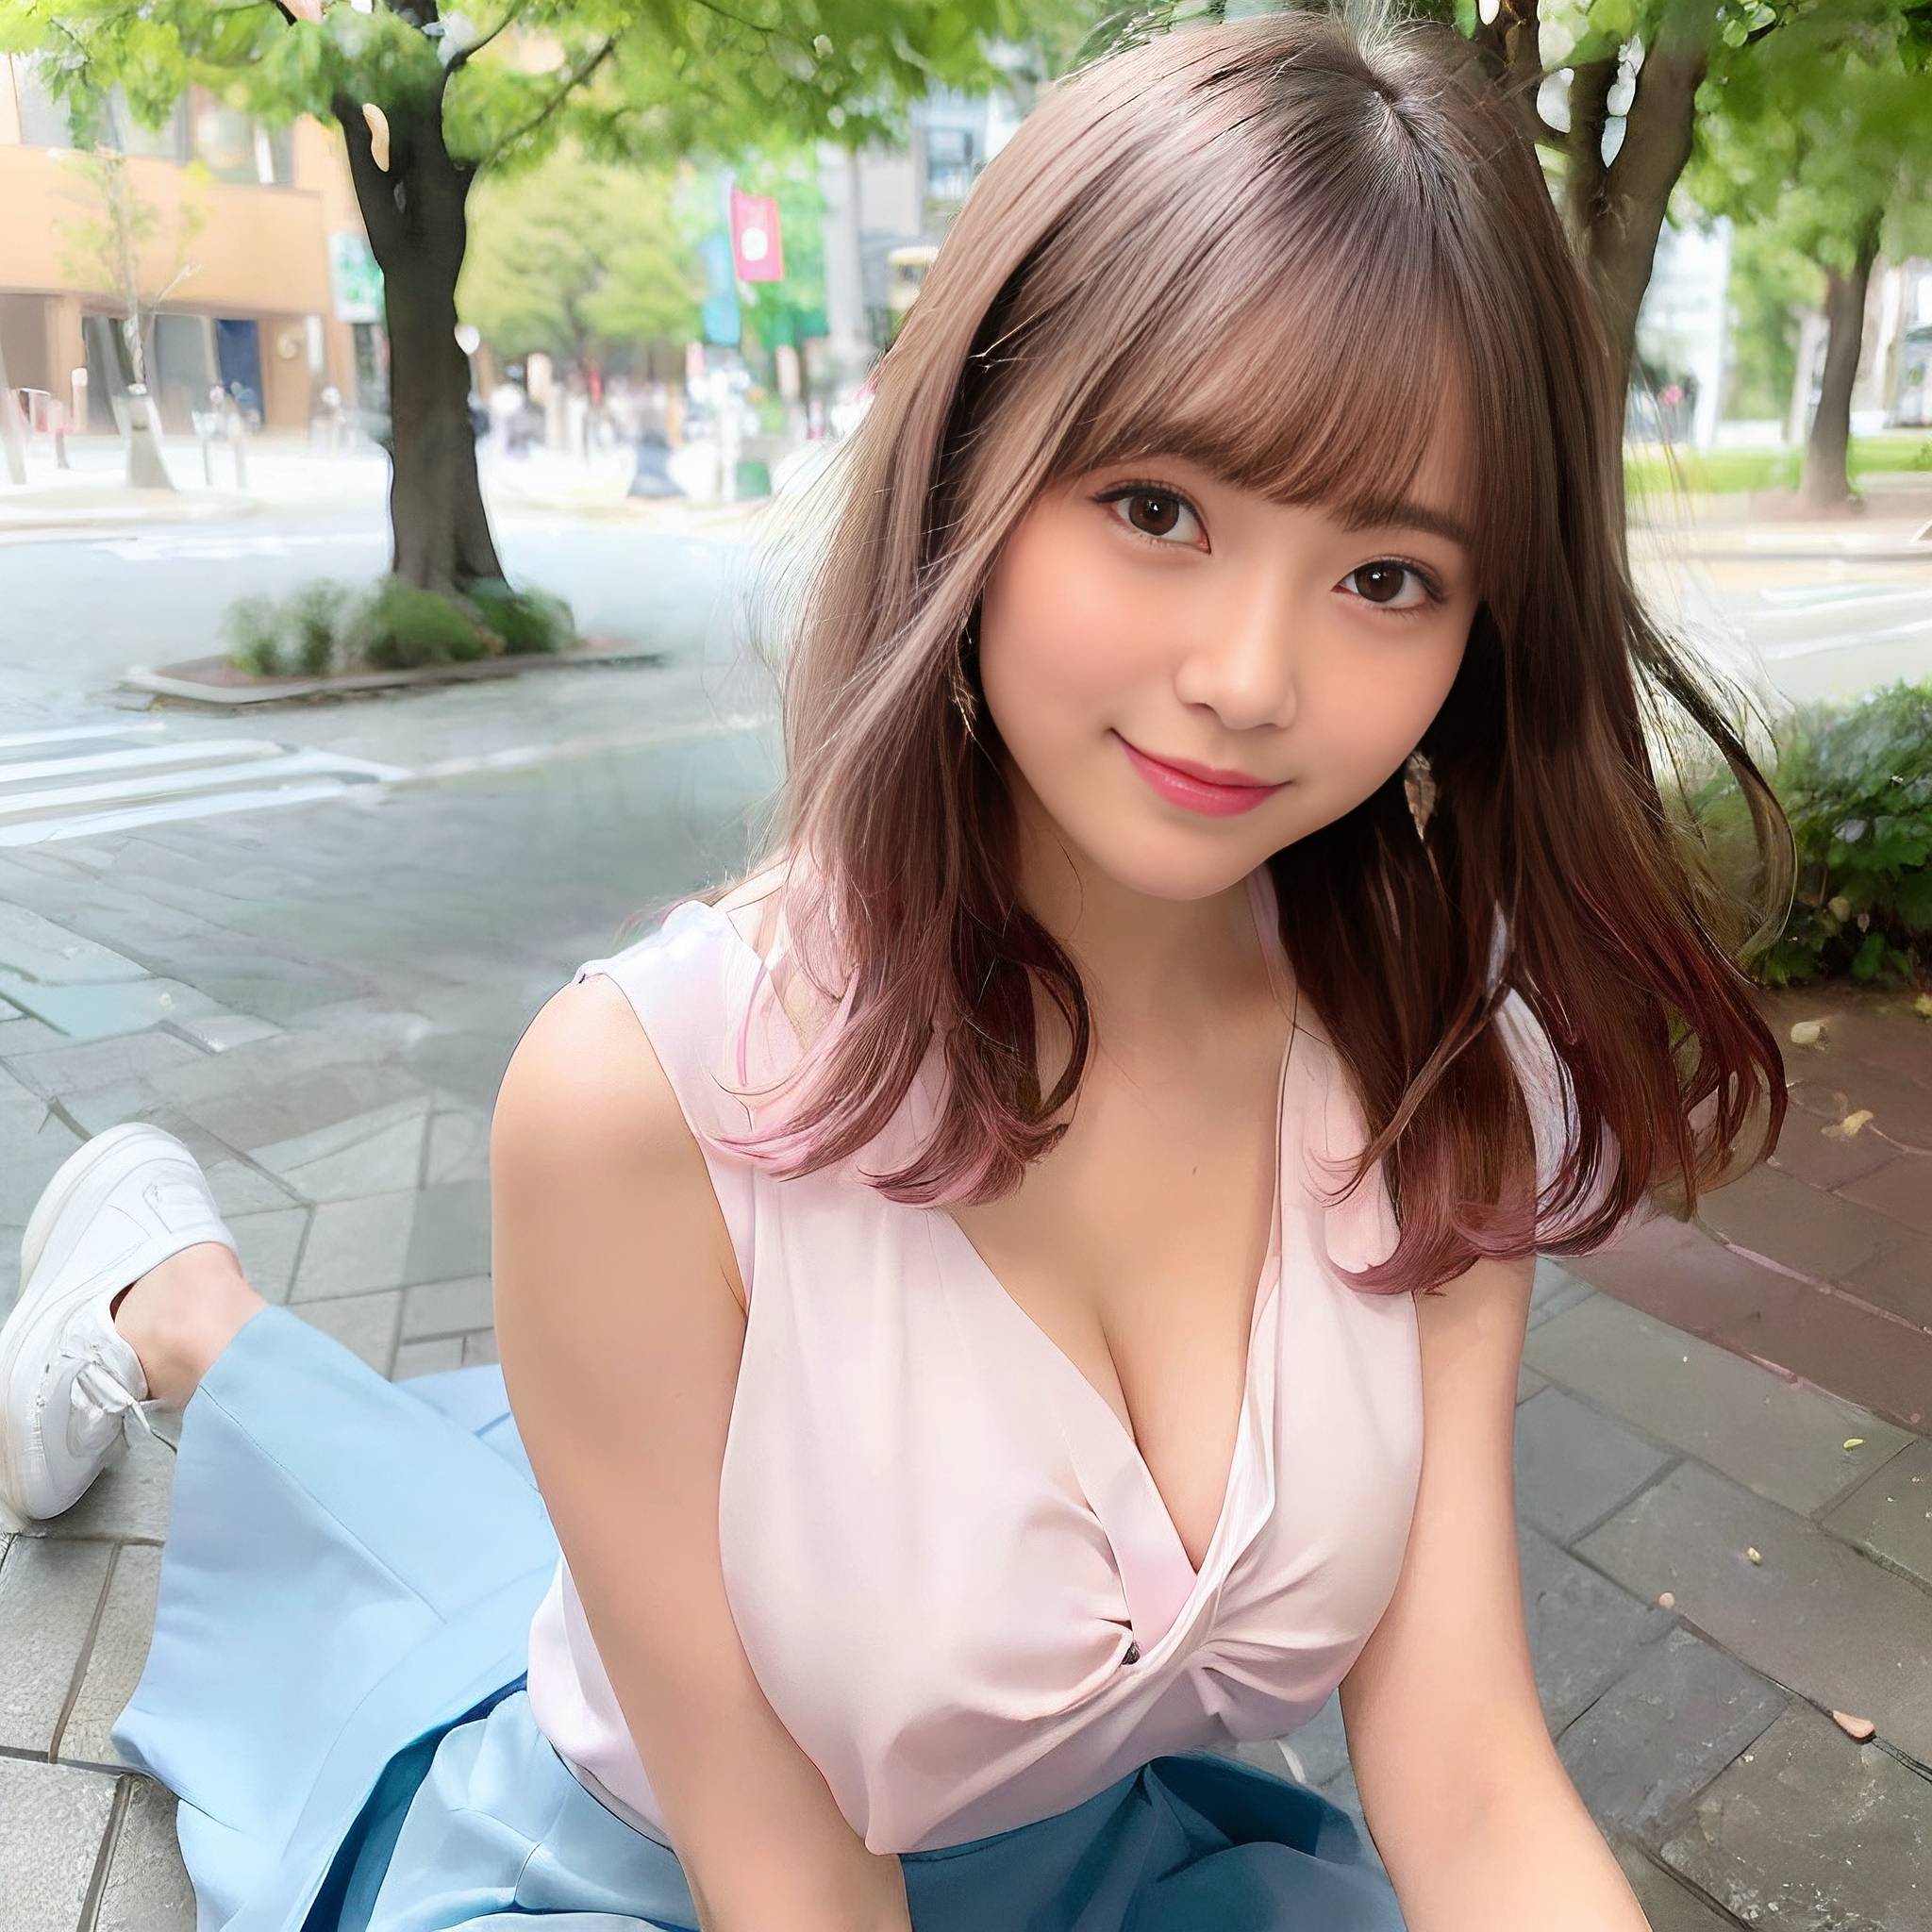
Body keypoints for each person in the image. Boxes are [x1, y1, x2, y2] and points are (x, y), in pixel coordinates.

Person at [0, 7, 1790, 1929]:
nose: (1250, 677)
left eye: (1385, 577)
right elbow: (791, 1878)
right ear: (968, 476)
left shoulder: (1444, 1082)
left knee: (526, 1518)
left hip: (1118, 1854)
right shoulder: (642, 1099)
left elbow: (1468, 1771)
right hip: (679, 1877)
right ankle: (174, 1302)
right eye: (1157, 508)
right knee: (457, 1573)